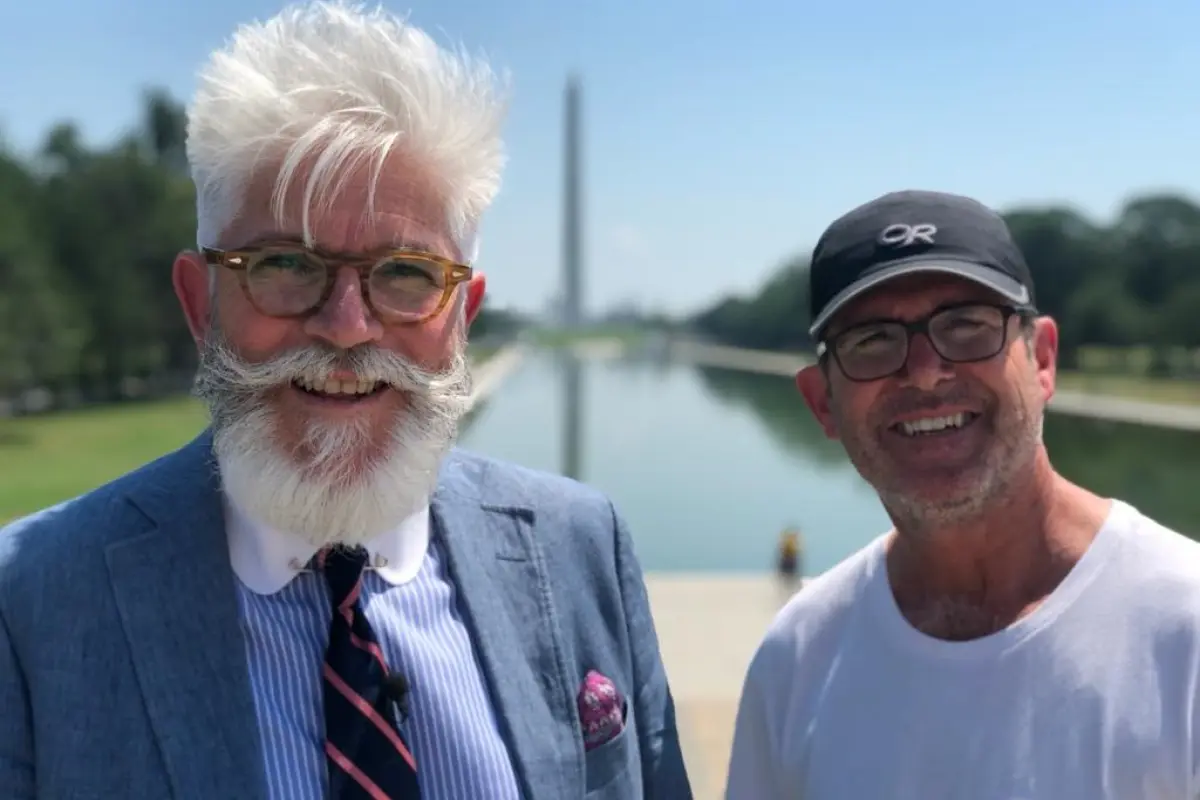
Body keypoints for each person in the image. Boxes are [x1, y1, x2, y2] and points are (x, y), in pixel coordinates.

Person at [0, 4, 691, 799]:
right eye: (286, 263)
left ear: (463, 321)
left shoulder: (582, 548)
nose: (346, 327)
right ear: (201, 304)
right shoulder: (33, 606)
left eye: (406, 275)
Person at [725, 189, 1200, 799]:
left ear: (1044, 360)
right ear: (823, 403)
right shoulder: (796, 659)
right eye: (873, 340)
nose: (925, 371)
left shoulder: (1184, 629)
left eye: (967, 326)